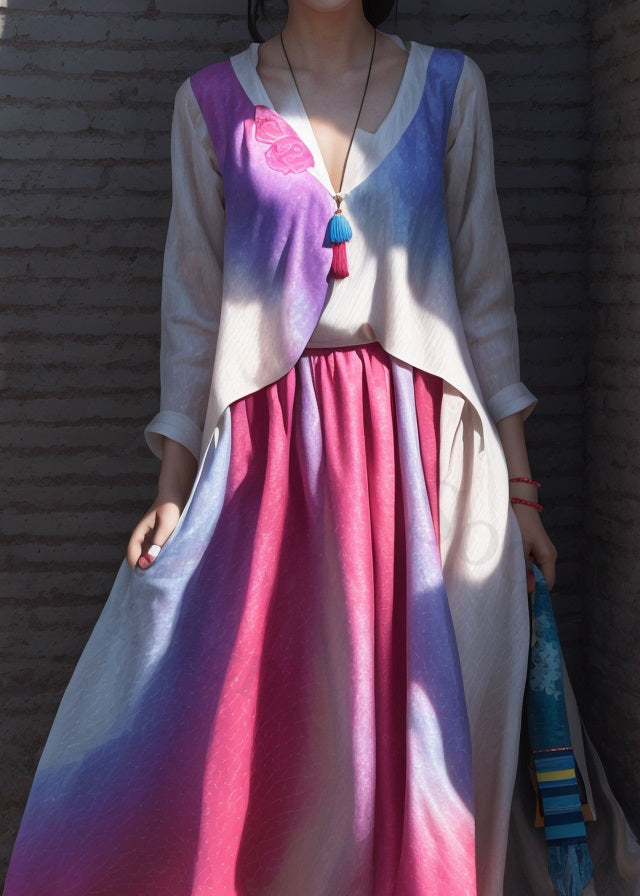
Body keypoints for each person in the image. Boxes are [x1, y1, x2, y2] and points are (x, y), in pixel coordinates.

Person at [3, 1, 640, 894]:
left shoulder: (450, 89)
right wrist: (172, 488)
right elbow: (192, 311)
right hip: (269, 472)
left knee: (419, 741)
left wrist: (521, 491)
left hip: (424, 465)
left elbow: (486, 298)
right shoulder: (210, 105)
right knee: (280, 740)